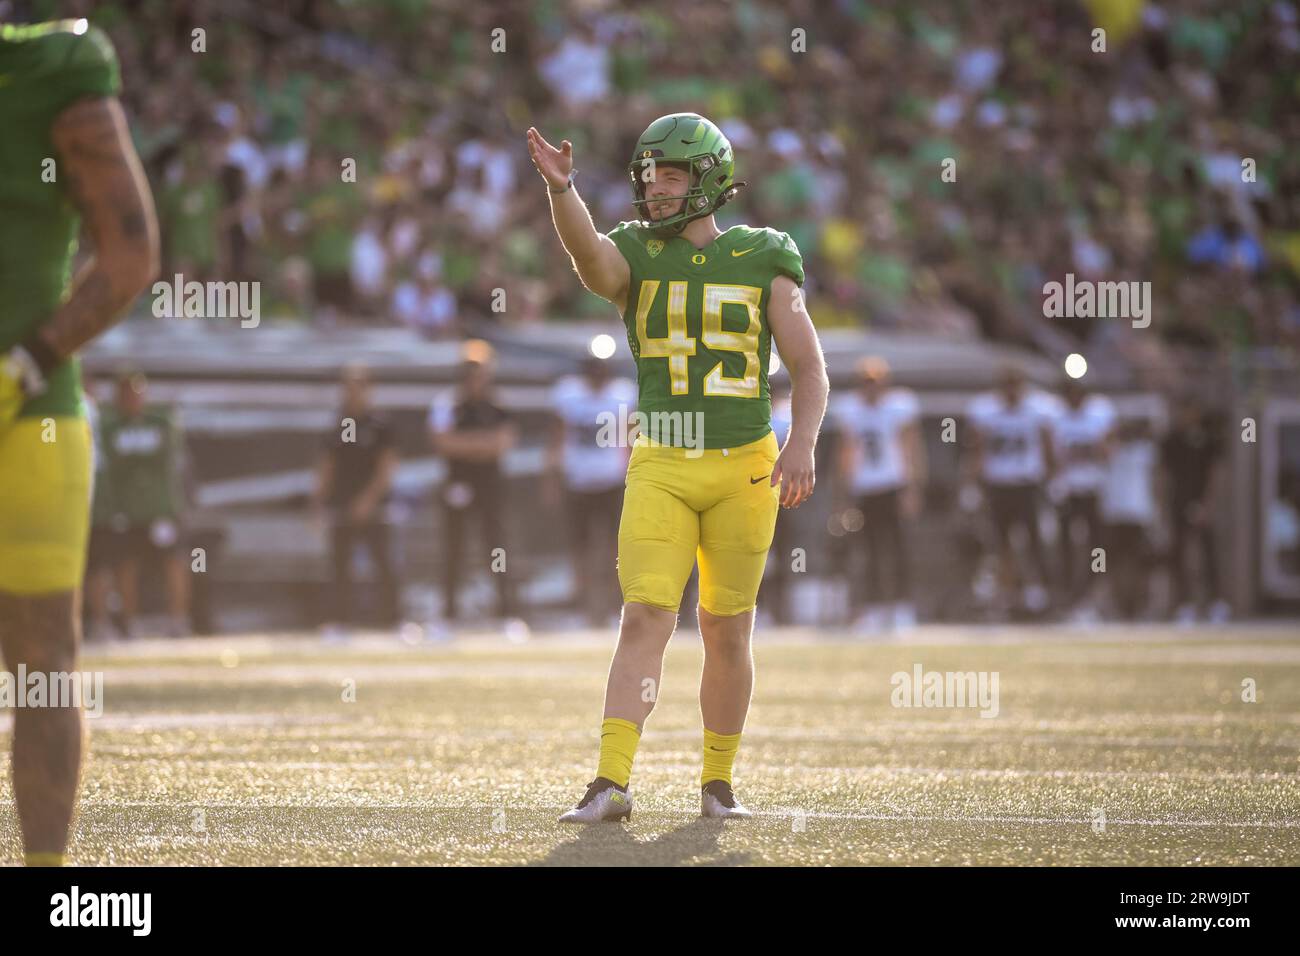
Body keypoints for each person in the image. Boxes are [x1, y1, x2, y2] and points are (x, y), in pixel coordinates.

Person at [528, 112, 828, 822]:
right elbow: (590, 260)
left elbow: (810, 367)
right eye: (648, 175)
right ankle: (610, 782)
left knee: (727, 628)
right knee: (644, 617)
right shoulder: (635, 251)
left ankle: (718, 785)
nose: (656, 188)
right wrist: (562, 192)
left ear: (710, 180)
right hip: (662, 456)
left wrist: (803, 442)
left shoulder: (764, 254)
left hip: (745, 466)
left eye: (671, 175)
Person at [0, 19, 159, 866]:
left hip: (27, 412)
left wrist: (21, 365)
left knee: (41, 662)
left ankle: (46, 881)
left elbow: (130, 258)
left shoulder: (52, 65)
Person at [428, 340, 519, 630]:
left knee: (497, 547)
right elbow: (443, 443)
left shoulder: (498, 405)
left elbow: (502, 443)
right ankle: (448, 614)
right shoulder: (448, 404)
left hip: (490, 486)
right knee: (453, 547)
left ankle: (506, 613)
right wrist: (481, 444)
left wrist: (466, 444)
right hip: (458, 485)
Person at [834, 357, 924, 632]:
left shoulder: (899, 406)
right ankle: (872, 609)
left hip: (892, 484)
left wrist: (912, 488)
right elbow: (845, 452)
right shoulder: (850, 409)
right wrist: (844, 493)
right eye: (866, 381)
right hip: (865, 488)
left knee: (898, 549)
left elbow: (911, 448)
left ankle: (901, 607)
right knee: (869, 550)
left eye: (875, 381)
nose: (871, 387)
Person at [98, 371, 190, 638]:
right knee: (125, 565)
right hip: (127, 510)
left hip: (160, 508)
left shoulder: (160, 422)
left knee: (175, 561)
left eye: (136, 391)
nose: (132, 398)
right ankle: (130, 623)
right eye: (126, 392)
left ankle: (178, 619)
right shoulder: (110, 427)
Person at [546, 354, 637, 625]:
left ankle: (610, 605)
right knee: (580, 547)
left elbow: (633, 437)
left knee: (614, 547)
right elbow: (557, 437)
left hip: (612, 480)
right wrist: (551, 476)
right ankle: (582, 605)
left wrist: (635, 478)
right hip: (578, 480)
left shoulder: (623, 394)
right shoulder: (568, 394)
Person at [312, 362, 400, 635]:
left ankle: (393, 619)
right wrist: (317, 502)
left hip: (374, 508)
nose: (353, 392)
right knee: (340, 564)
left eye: (359, 386)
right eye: (348, 387)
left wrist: (368, 500)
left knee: (384, 561)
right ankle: (340, 621)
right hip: (342, 506)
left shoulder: (380, 425)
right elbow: (328, 466)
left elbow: (387, 467)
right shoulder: (338, 424)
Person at [964, 364, 1058, 616]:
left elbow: (1049, 448)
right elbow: (977, 450)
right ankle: (1007, 595)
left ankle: (1039, 595)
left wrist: (1054, 481)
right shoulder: (986, 410)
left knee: (1035, 542)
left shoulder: (1040, 409)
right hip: (998, 485)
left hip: (1029, 485)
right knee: (1001, 544)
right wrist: (972, 485)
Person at [1050, 378, 1115, 617]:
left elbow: (1108, 451)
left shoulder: (1100, 413)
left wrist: (1097, 446)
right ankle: (1067, 594)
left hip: (1093, 490)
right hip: (1066, 491)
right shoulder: (1054, 415)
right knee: (1065, 545)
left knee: (1097, 548)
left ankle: (1094, 591)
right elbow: (1049, 455)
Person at [1160, 402, 1230, 623]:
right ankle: (1184, 604)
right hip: (1178, 503)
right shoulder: (1172, 440)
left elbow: (1215, 473)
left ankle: (1216, 603)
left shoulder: (1209, 440)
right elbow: (1163, 475)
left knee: (1209, 555)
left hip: (1202, 503)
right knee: (1179, 555)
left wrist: (1207, 505)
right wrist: (1163, 505)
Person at [1101, 417, 1158, 620]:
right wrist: (1115, 432)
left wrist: (1140, 431)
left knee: (1140, 563)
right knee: (1113, 563)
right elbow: (1102, 450)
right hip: (1115, 514)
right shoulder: (1113, 451)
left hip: (1138, 514)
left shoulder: (1145, 451)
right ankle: (1117, 604)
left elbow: (1153, 435)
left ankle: (1140, 604)